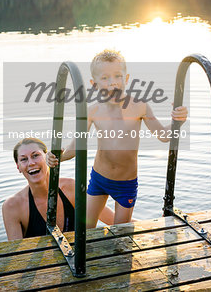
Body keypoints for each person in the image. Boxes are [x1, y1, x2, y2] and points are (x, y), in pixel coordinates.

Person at [47, 49, 188, 228]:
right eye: (105, 78)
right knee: (85, 229)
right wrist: (57, 156)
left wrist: (178, 122)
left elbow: (163, 136)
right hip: (99, 179)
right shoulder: (93, 111)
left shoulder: (140, 106)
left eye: (117, 76)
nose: (112, 82)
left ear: (126, 79)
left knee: (120, 234)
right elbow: (76, 146)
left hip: (126, 184)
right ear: (94, 84)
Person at [2, 137, 114, 240]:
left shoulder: (72, 188)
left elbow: (113, 220)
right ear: (18, 167)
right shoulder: (12, 206)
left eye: (35, 155)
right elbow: (16, 257)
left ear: (47, 157)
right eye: (24, 159)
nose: (31, 163)